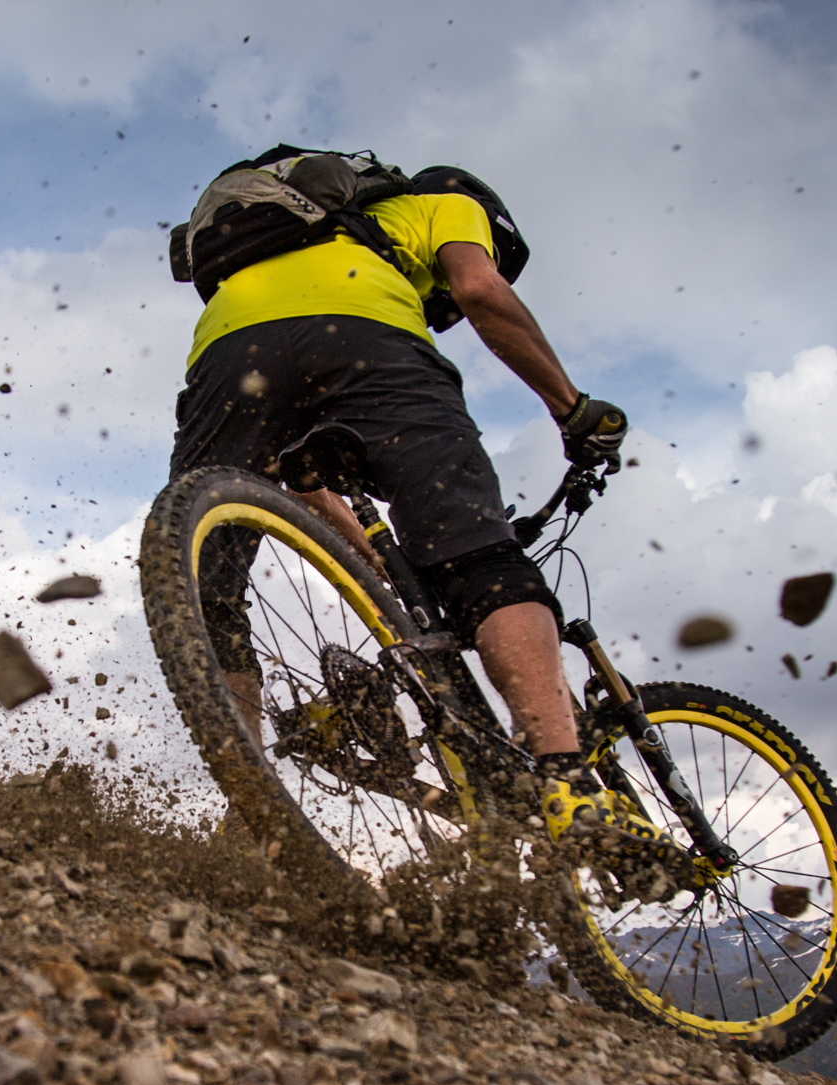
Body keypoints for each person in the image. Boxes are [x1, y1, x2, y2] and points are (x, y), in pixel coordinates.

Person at [168, 158, 664, 850]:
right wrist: (572, 410)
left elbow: (298, 476)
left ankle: (251, 809)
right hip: (366, 334)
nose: (445, 310)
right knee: (480, 560)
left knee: (211, 590)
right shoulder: (442, 203)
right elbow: (480, 288)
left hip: (228, 351)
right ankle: (566, 781)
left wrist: (362, 549)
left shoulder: (299, 240)